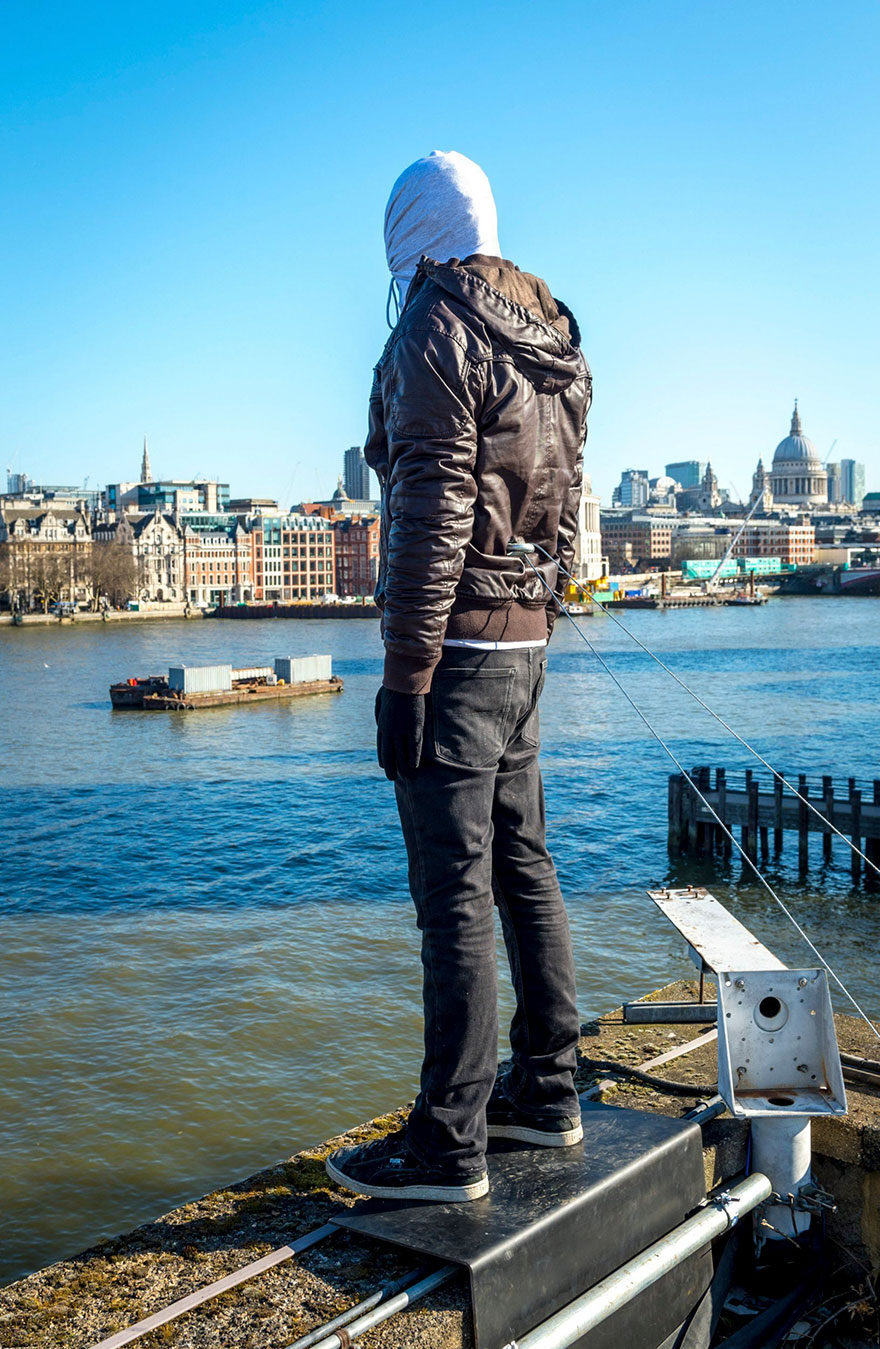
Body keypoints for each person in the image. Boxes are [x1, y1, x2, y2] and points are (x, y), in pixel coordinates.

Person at [326, 151, 592, 1203]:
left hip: (458, 648)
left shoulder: (439, 324)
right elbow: (565, 498)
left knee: (453, 895)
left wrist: (406, 675)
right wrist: (543, 607)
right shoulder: (555, 332)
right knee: (525, 865)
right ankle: (550, 1090)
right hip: (523, 642)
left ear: (416, 237)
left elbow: (431, 504)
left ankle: (447, 1143)